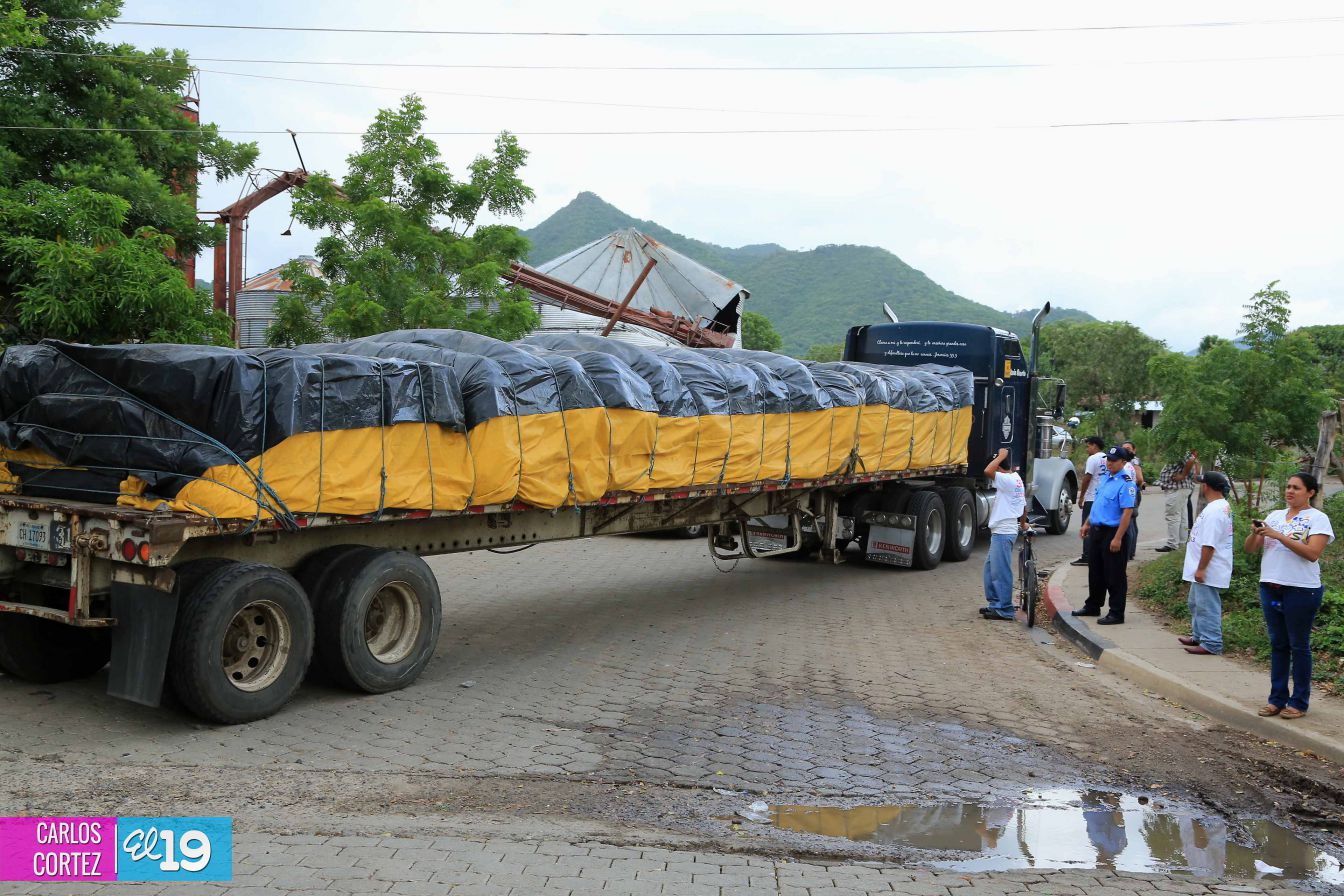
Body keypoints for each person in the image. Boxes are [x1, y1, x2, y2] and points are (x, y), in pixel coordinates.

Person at [1244, 472, 1335, 719]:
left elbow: (1312, 553)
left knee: (1299, 645)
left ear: (1310, 492)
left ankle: (1299, 702)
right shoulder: (1274, 516)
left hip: (1301, 589)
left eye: (1296, 487)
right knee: (1278, 644)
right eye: (1288, 486)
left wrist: (1278, 536)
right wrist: (1256, 533)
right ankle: (1276, 699)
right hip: (1271, 586)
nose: (1290, 491)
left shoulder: (1318, 519)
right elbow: (1250, 549)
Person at [1073, 446, 1137, 624]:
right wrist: (1087, 523)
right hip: (1097, 530)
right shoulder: (1105, 479)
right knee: (1095, 572)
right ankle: (1093, 605)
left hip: (1113, 533)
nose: (1109, 463)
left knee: (1114, 575)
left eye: (1114, 460)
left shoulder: (1126, 483)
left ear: (1123, 462)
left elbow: (1127, 513)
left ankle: (1116, 612)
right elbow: (1098, 504)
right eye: (1108, 459)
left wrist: (1117, 538)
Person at [1179, 472, 1234, 656]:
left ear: (1206, 487)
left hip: (1209, 568)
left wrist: (1202, 568)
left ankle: (1211, 642)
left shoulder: (1215, 511)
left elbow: (1209, 544)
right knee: (1195, 603)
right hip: (1202, 566)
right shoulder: (1217, 507)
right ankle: (1198, 635)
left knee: (1206, 605)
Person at [980, 448, 1027, 621]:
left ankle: (1005, 608)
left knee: (1000, 571)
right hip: (1003, 530)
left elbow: (987, 471)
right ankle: (995, 604)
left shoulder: (1006, 479)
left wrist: (1001, 456)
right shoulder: (1016, 478)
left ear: (999, 466)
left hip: (1003, 532)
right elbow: (1023, 505)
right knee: (990, 569)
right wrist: (1023, 524)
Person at [1070, 436, 1106, 567]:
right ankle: (1099, 555)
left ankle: (1087, 556)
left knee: (1087, 527)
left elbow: (1087, 478)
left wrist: (1081, 497)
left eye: (1088, 446)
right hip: (1103, 497)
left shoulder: (1093, 459)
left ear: (1095, 445)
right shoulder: (1107, 458)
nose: (1087, 449)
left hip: (1091, 498)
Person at [1157, 449, 1197, 552]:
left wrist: (1182, 475)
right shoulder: (1178, 448)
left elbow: (1191, 460)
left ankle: (1172, 544)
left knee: (1173, 516)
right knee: (1182, 517)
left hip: (1177, 487)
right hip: (1180, 488)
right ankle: (1181, 544)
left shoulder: (1179, 448)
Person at [1122, 441, 1145, 561]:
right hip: (1133, 493)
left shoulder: (1133, 461)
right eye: (1124, 448)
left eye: (1128, 448)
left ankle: (1129, 552)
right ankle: (1131, 551)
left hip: (1132, 494)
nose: (1126, 450)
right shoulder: (1129, 462)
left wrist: (1134, 488)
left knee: (1129, 523)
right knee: (1132, 522)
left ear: (1134, 450)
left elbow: (1140, 478)